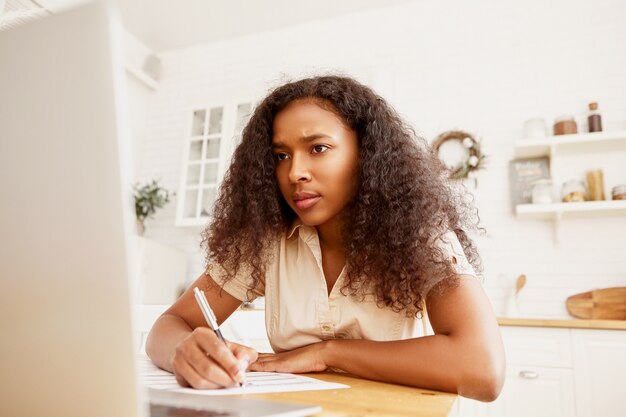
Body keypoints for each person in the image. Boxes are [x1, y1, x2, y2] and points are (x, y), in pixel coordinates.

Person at [146, 75, 505, 401]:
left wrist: (327, 352)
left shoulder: (421, 234)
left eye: (317, 148)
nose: (294, 173)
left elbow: (482, 370)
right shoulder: (266, 240)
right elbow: (167, 327)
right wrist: (185, 348)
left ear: (366, 154)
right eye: (281, 156)